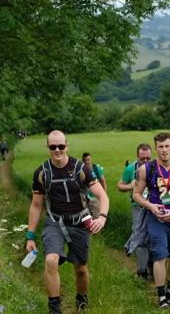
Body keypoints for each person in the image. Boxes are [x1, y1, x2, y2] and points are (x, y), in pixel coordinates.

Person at [25, 130, 109, 314]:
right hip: (55, 222)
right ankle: (54, 307)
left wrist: (102, 217)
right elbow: (36, 206)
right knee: (51, 260)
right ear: (47, 147)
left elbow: (102, 195)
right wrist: (30, 235)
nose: (57, 150)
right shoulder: (42, 173)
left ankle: (81, 300)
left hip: (79, 222)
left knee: (81, 269)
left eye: (61, 146)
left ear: (67, 146)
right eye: (53, 146)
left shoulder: (81, 169)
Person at [133, 132, 170, 309]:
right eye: (160, 147)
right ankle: (161, 296)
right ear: (155, 148)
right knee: (160, 255)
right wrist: (151, 206)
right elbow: (136, 194)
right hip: (156, 219)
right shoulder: (147, 169)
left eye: (167, 146)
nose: (164, 150)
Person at [118, 143, 153, 280]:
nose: (145, 161)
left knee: (152, 236)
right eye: (142, 159)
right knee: (140, 235)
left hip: (153, 206)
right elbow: (119, 186)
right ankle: (142, 270)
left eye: (148, 159)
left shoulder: (157, 167)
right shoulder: (130, 168)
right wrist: (129, 186)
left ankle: (152, 266)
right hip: (137, 206)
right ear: (137, 156)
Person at [82, 152, 107, 218]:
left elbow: (103, 181)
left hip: (95, 197)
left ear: (91, 159)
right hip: (85, 197)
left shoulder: (96, 168)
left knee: (96, 215)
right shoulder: (81, 170)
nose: (86, 162)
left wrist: (104, 196)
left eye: (88, 160)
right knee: (87, 217)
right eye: (84, 160)